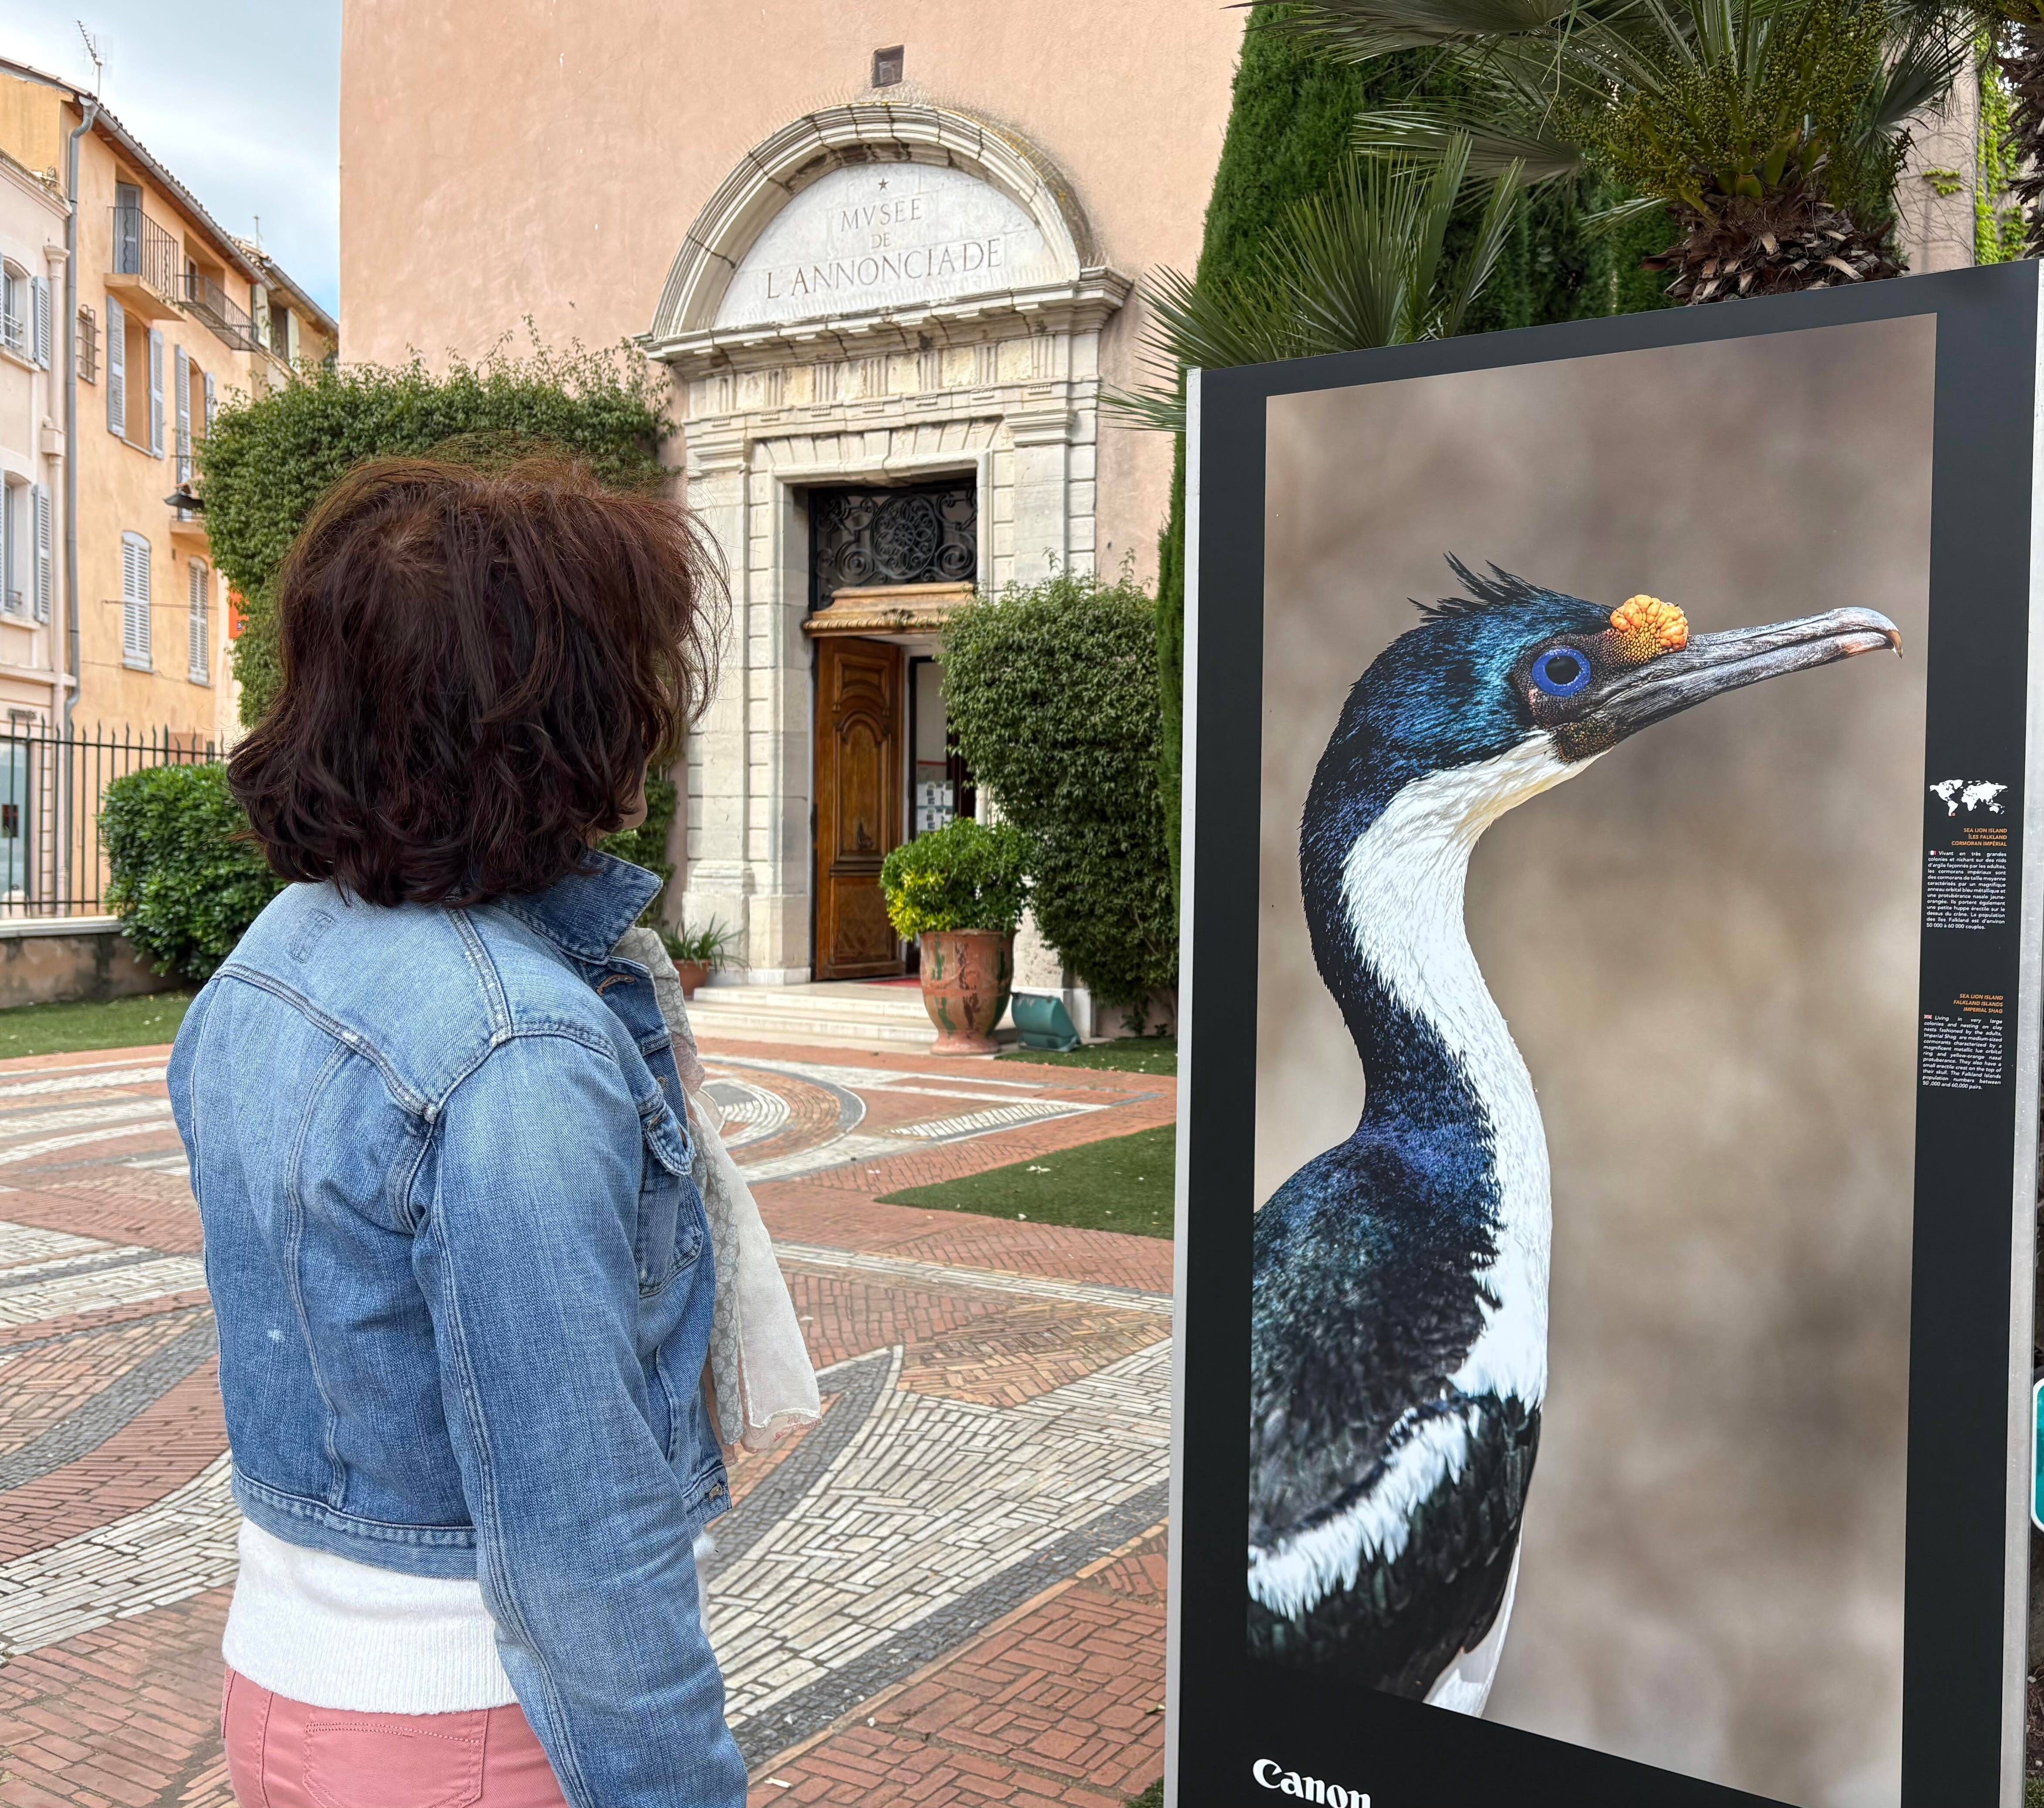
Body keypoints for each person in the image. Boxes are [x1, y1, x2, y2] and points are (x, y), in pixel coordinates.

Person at [170, 456, 752, 1808]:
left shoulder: (274, 957)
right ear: (562, 721)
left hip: (288, 1683)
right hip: (471, 1723)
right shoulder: (514, 1050)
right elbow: (577, 1537)